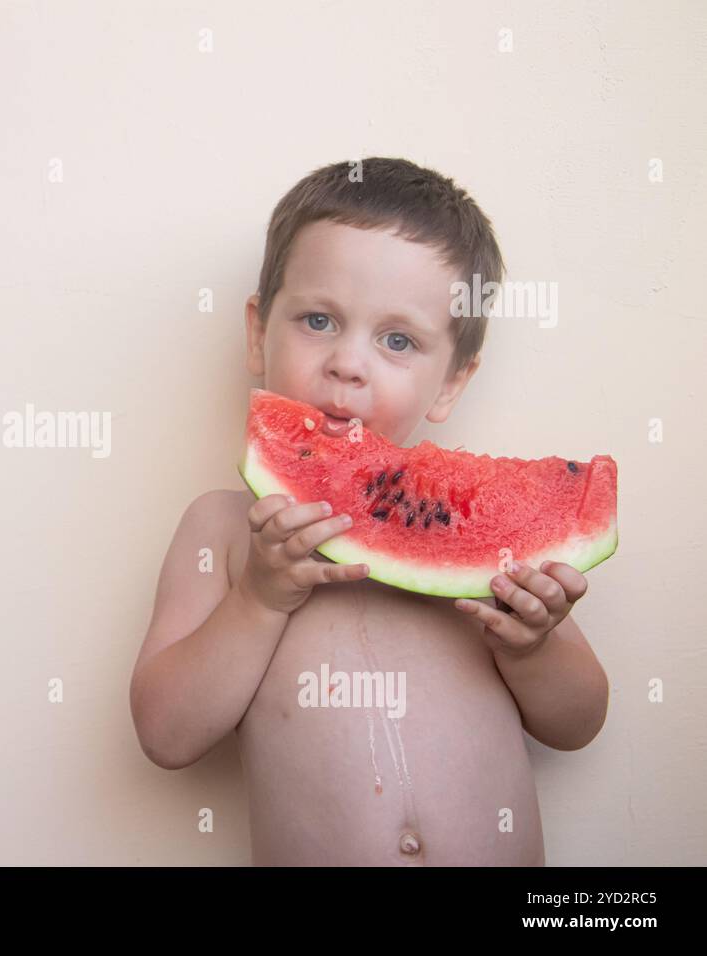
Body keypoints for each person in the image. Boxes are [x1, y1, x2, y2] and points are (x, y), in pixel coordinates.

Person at [129, 158, 608, 865]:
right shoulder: (224, 531)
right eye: (318, 320)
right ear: (260, 335)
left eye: (397, 340)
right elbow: (166, 734)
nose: (349, 363)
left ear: (450, 382)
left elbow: (578, 723)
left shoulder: (491, 544)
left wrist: (532, 647)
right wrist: (259, 599)